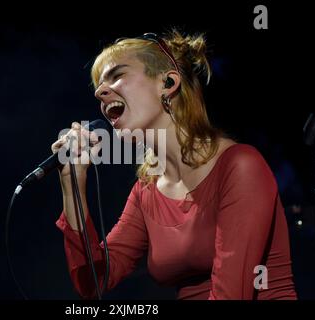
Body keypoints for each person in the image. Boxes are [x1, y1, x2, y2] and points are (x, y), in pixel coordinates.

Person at [51, 30, 297, 300]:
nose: (100, 91)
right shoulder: (146, 191)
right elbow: (93, 281)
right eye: (98, 85)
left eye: (117, 75)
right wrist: (72, 185)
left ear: (168, 82)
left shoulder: (241, 166)